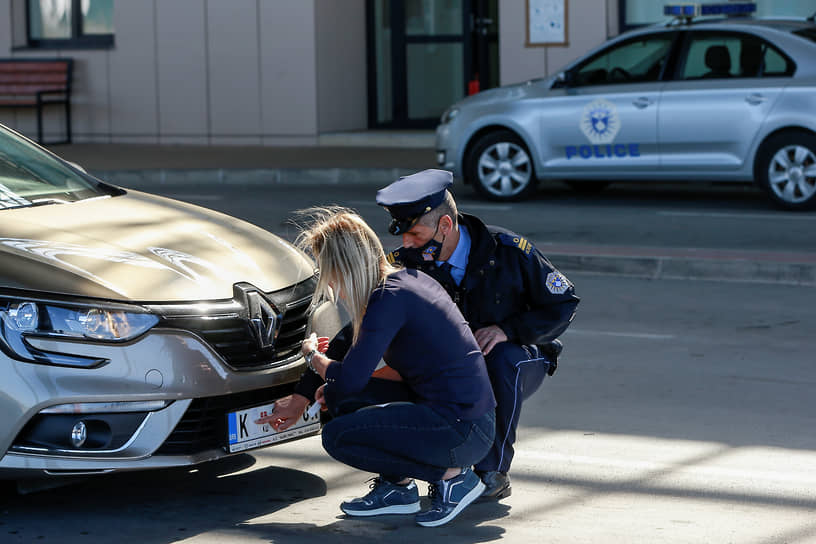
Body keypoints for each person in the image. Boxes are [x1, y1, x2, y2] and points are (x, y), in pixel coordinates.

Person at [257, 207, 497, 528]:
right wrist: (310, 391)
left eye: (330, 273)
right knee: (338, 398)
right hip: (466, 419)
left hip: (462, 430)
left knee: (338, 438)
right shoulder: (405, 282)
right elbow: (346, 352)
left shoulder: (388, 299)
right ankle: (397, 490)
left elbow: (351, 378)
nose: (330, 284)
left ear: (345, 268)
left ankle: (453, 479)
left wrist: (313, 355)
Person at [375, 169, 580, 501]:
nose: (407, 244)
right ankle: (403, 474)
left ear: (445, 226)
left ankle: (492, 471)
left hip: (518, 356)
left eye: (415, 233)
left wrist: (508, 330)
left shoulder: (509, 250)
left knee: (501, 358)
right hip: (449, 364)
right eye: (404, 235)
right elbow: (369, 322)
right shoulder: (403, 263)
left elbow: (563, 304)